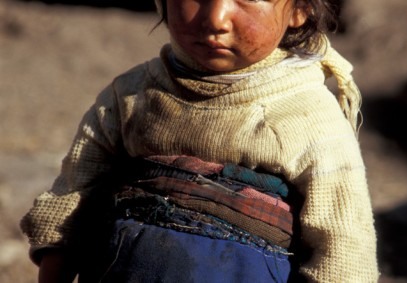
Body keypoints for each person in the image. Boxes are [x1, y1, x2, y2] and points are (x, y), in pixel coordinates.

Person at [20, 0, 379, 282]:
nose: (216, 18)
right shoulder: (130, 96)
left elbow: (343, 248)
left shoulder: (310, 117)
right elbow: (69, 200)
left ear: (300, 10)